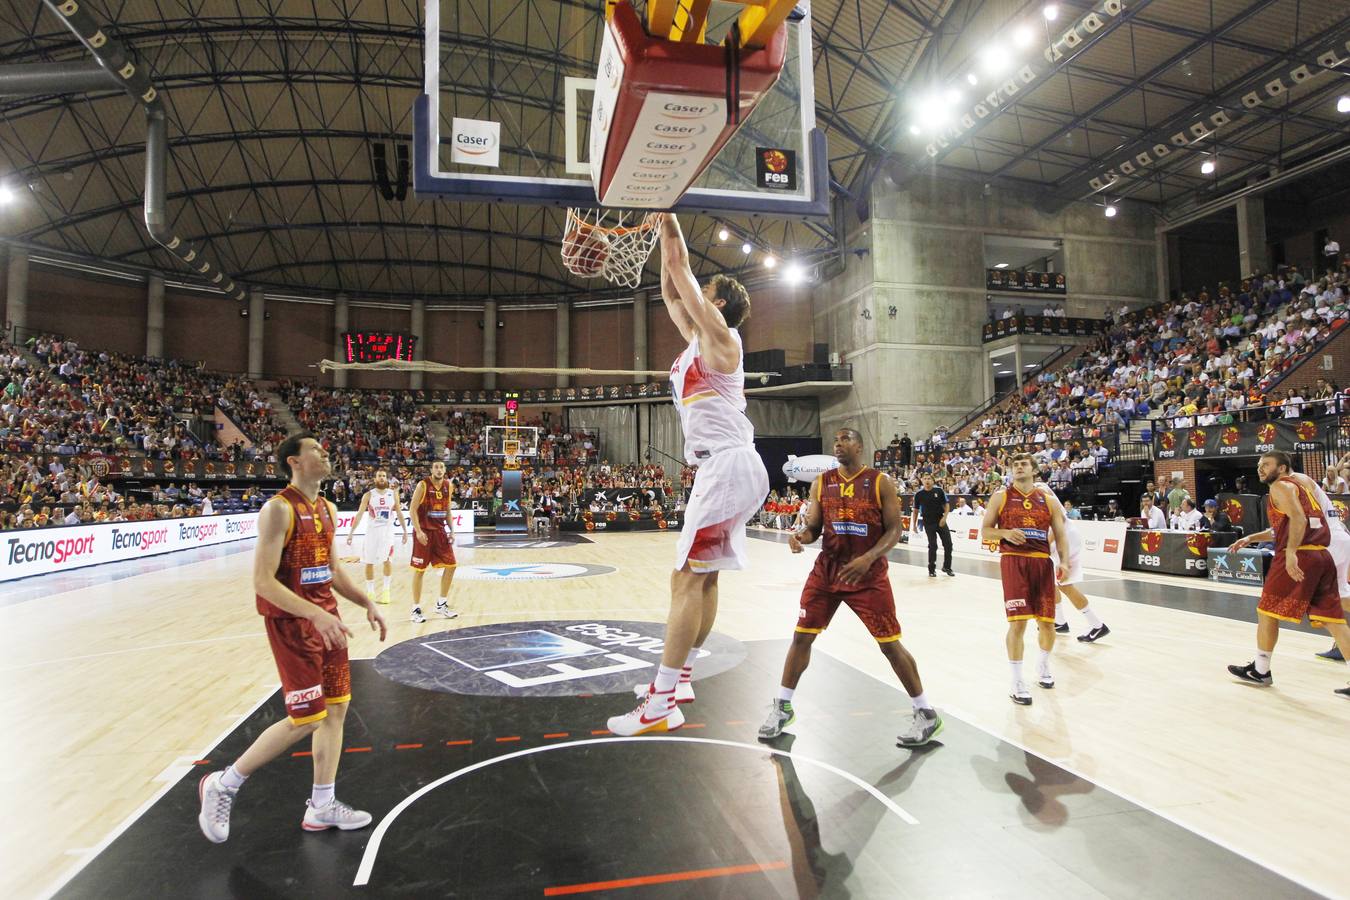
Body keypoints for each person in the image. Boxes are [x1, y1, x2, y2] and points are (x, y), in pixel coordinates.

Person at [611, 213, 768, 736]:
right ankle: (680, 680)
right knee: (704, 578)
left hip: (726, 464)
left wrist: (668, 213)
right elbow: (670, 286)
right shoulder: (697, 341)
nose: (697, 295)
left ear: (719, 304)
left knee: (684, 579)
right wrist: (659, 237)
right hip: (727, 467)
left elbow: (679, 267)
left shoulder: (722, 337)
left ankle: (659, 704)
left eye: (708, 291)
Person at [196, 432, 387, 843]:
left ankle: (321, 805)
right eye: (315, 449)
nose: (324, 453)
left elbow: (332, 571)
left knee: (336, 711)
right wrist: (315, 614)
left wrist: (365, 603)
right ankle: (223, 783)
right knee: (308, 718)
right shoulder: (277, 510)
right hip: (291, 623)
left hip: (326, 620)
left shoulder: (329, 508)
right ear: (294, 462)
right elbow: (263, 582)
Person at [757, 428, 942, 748]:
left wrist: (868, 558)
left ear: (859, 446)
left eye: (845, 439)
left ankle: (925, 712)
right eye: (835, 440)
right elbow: (814, 527)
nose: (838, 444)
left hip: (867, 576)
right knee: (801, 636)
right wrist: (801, 536)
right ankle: (783, 706)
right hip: (827, 573)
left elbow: (895, 529)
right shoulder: (822, 483)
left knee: (890, 645)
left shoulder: (880, 482)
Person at [1225, 452, 1350, 697]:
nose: (1260, 468)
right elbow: (1293, 522)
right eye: (1259, 465)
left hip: (1305, 551)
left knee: (1266, 610)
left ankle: (1261, 670)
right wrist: (1252, 537)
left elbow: (1298, 520)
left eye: (1266, 464)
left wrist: (1291, 551)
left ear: (1282, 468)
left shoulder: (1282, 486)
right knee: (1333, 618)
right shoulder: (1300, 487)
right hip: (1323, 552)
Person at [980, 453, 1070, 705]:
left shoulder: (1048, 501)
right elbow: (985, 531)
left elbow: (1061, 534)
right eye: (1015, 465)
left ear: (1034, 470)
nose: (1019, 468)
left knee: (1048, 623)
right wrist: (1006, 532)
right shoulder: (1001, 497)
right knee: (1018, 623)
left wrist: (1063, 561)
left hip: (1042, 562)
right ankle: (1017, 680)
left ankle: (1042, 666)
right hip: (1013, 560)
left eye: (1024, 464)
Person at [1045, 498, 1110, 643]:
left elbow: (1059, 520)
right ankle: (1060, 622)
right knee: (1050, 581)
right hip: (1059, 537)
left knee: (1064, 585)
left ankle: (1097, 625)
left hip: (1065, 537)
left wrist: (1045, 542)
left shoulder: (1040, 490)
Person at [345, 468, 407, 605]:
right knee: (369, 562)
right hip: (372, 533)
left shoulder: (393, 494)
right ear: (375, 479)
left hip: (387, 534)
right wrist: (351, 533)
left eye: (384, 476)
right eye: (379, 476)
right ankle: (370, 592)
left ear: (387, 479)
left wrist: (405, 531)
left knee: (387, 561)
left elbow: (399, 514)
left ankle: (386, 591)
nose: (381, 478)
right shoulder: (368, 495)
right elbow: (359, 514)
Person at [408, 459, 459, 623]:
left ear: (444, 470)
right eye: (436, 467)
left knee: (451, 566)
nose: (439, 469)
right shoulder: (423, 485)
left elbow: (448, 510)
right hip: (424, 533)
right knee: (419, 570)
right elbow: (412, 509)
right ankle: (415, 608)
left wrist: (452, 530)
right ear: (431, 470)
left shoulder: (448, 486)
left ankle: (441, 604)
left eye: (441, 467)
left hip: (440, 532)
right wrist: (418, 530)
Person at [914, 473, 954, 577]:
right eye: (925, 479)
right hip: (928, 522)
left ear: (933, 481)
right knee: (933, 545)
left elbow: (947, 505)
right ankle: (931, 569)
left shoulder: (939, 491)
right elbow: (915, 510)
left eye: (929, 479)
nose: (927, 481)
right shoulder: (919, 494)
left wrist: (944, 518)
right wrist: (914, 525)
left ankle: (947, 567)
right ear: (922, 481)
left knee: (948, 544)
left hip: (940, 519)